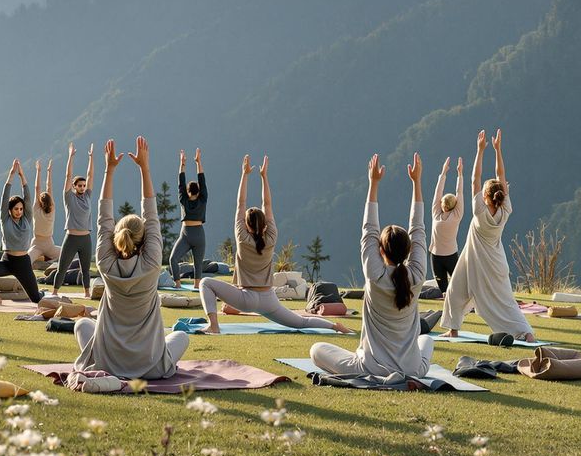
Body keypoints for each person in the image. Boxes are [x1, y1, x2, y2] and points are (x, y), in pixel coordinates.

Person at [73, 137, 189, 380]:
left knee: (82, 324)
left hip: (108, 363)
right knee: (181, 336)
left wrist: (109, 169)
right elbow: (152, 213)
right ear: (146, 238)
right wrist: (144, 168)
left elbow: (104, 216)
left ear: (115, 236)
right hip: (151, 367)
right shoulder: (152, 262)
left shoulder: (106, 263)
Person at [197, 155, 352, 335]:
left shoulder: (242, 237)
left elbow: (240, 204)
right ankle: (335, 326)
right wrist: (264, 177)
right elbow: (267, 205)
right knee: (301, 322)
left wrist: (244, 175)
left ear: (246, 225)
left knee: (206, 283)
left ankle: (213, 325)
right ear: (264, 224)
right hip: (269, 300)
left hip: (245, 299)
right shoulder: (271, 238)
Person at [310, 153, 432, 377]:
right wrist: (417, 182)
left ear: (380, 251)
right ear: (408, 251)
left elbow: (369, 230)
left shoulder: (375, 275)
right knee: (426, 340)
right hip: (414, 369)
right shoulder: (417, 275)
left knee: (316, 350)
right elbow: (419, 230)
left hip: (370, 368)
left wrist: (373, 183)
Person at [440, 129, 534, 341]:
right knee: (459, 291)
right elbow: (501, 176)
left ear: (485, 197)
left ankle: (526, 332)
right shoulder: (505, 209)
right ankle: (454, 329)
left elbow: (475, 178)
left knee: (459, 293)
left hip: (480, 260)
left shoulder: (479, 212)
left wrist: (480, 150)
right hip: (488, 261)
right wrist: (498, 149)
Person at [0, 159, 44, 305]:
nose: (19, 211)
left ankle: (42, 293)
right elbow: (4, 198)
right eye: (15, 209)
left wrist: (22, 176)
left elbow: (28, 197)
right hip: (7, 262)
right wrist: (11, 175)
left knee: (37, 300)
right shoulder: (5, 220)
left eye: (21, 209)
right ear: (10, 210)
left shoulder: (27, 218)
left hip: (23, 264)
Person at [52, 143, 95, 297]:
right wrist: (70, 156)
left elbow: (90, 176)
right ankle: (55, 292)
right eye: (80, 185)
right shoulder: (69, 197)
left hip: (85, 238)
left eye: (84, 185)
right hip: (71, 238)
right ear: (74, 186)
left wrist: (91, 157)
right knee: (62, 267)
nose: (83, 187)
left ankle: (87, 293)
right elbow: (68, 176)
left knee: (85, 269)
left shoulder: (88, 196)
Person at [169, 149, 209, 289]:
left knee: (173, 259)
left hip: (185, 234)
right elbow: (202, 179)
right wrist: (198, 162)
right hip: (199, 234)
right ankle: (197, 286)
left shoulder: (183, 199)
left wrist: (182, 164)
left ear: (188, 191)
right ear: (199, 191)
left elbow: (181, 181)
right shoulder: (203, 199)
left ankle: (177, 284)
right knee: (198, 264)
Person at [429, 156, 464, 294]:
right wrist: (460, 174)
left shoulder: (435, 213)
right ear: (455, 206)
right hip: (450, 256)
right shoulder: (456, 215)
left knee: (443, 290)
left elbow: (438, 192)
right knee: (457, 286)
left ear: (442, 204)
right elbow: (459, 193)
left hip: (436, 257)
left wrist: (443, 173)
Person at [29, 159, 62, 266]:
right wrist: (49, 172)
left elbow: (37, 188)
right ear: (50, 202)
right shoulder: (52, 210)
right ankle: (48, 259)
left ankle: (44, 259)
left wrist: (38, 171)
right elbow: (49, 187)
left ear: (39, 202)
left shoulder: (36, 209)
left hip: (37, 245)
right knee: (71, 255)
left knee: (26, 262)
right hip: (49, 245)